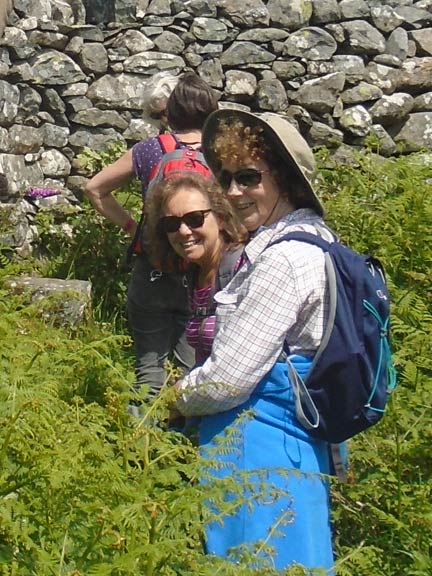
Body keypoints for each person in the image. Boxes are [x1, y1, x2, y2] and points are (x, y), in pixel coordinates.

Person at [172, 109, 336, 572]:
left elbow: (228, 379)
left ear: (285, 178)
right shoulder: (317, 240)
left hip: (258, 450)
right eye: (226, 178)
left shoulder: (283, 261)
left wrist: (176, 397)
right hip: (293, 450)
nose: (233, 192)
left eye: (249, 177)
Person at [84, 72, 219, 399]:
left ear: (170, 113)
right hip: (203, 277)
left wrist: (134, 228)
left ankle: (137, 442)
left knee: (148, 373)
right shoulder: (221, 153)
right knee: (194, 374)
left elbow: (94, 188)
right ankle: (183, 445)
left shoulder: (147, 151)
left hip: (153, 271)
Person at [146, 173, 246, 365]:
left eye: (195, 219)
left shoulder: (242, 268)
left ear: (222, 218)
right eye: (172, 223)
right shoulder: (196, 273)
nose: (183, 231)